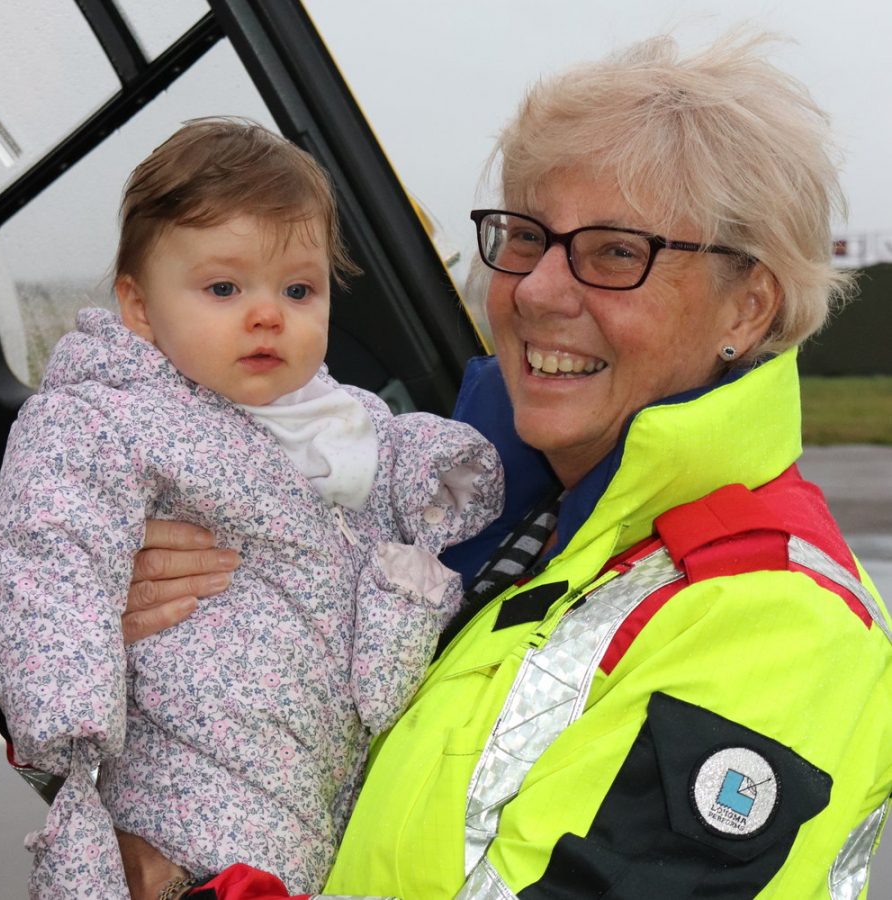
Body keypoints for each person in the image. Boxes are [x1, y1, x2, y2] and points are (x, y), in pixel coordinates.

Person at [122, 31, 892, 899]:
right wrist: (160, 643)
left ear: (747, 308)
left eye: (615, 251)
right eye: (526, 236)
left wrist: (181, 889)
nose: (535, 289)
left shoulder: (781, 626)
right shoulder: (502, 523)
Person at [0, 119, 504, 899]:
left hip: (319, 795)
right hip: (186, 789)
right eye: (224, 289)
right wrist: (65, 704)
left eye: (298, 290)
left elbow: (390, 454)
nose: (268, 314)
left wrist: (437, 475)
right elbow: (51, 546)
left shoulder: (336, 416)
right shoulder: (109, 419)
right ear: (139, 306)